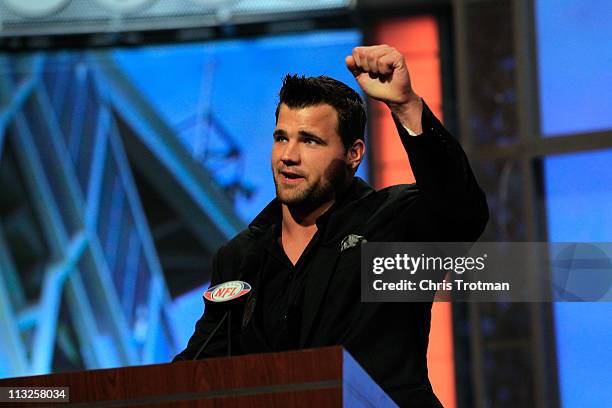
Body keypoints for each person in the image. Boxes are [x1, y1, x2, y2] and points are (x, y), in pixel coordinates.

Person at [174, 44, 488, 407]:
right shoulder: (240, 257)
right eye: (281, 138)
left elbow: (463, 212)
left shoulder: (392, 223)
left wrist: (405, 105)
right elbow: (197, 370)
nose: (288, 156)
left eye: (309, 140)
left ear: (353, 154)